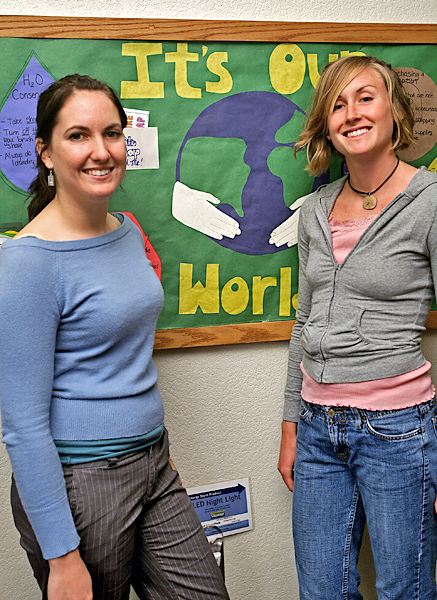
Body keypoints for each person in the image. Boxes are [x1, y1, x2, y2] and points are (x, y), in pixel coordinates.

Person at [0, 74, 230, 600]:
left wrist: (155, 444)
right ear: (46, 153)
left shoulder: (127, 230)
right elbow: (23, 426)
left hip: (153, 463)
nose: (100, 151)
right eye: (78, 135)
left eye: (111, 132)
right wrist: (61, 557)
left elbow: (125, 354)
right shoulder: (28, 263)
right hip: (83, 484)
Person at [277, 55, 437, 599]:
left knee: (405, 590)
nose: (352, 113)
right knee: (321, 590)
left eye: (365, 97)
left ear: (394, 108)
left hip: (399, 430)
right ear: (326, 122)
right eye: (337, 104)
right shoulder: (316, 209)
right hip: (318, 429)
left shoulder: (430, 202)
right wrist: (290, 426)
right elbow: (304, 321)